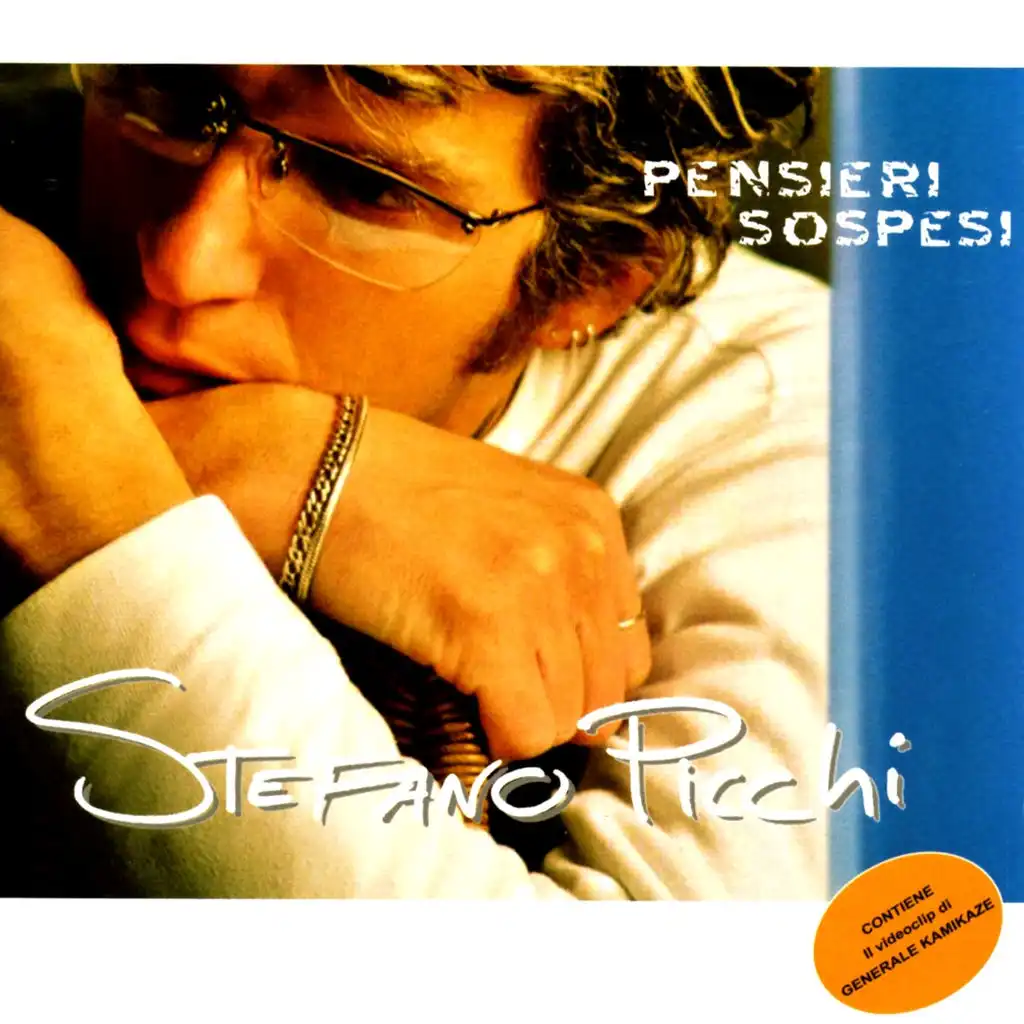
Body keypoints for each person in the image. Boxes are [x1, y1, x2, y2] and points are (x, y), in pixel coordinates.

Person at [0, 64, 828, 898]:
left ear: (591, 282)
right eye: (175, 93)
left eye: (366, 187)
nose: (182, 262)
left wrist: (87, 483)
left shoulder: (802, 423)